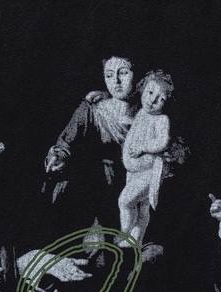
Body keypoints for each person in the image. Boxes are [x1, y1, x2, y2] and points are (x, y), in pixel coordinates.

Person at [43, 56, 137, 232]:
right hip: (99, 185)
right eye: (109, 75)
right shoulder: (92, 109)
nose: (116, 81)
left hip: (133, 185)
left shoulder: (148, 112)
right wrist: (58, 157)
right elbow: (66, 142)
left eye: (123, 73)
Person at [118, 70, 173, 246]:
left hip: (149, 171)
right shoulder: (141, 112)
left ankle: (124, 234)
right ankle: (136, 241)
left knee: (125, 202)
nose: (152, 100)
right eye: (150, 92)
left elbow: (163, 142)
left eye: (160, 99)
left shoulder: (162, 119)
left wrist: (143, 147)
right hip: (133, 171)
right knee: (141, 207)